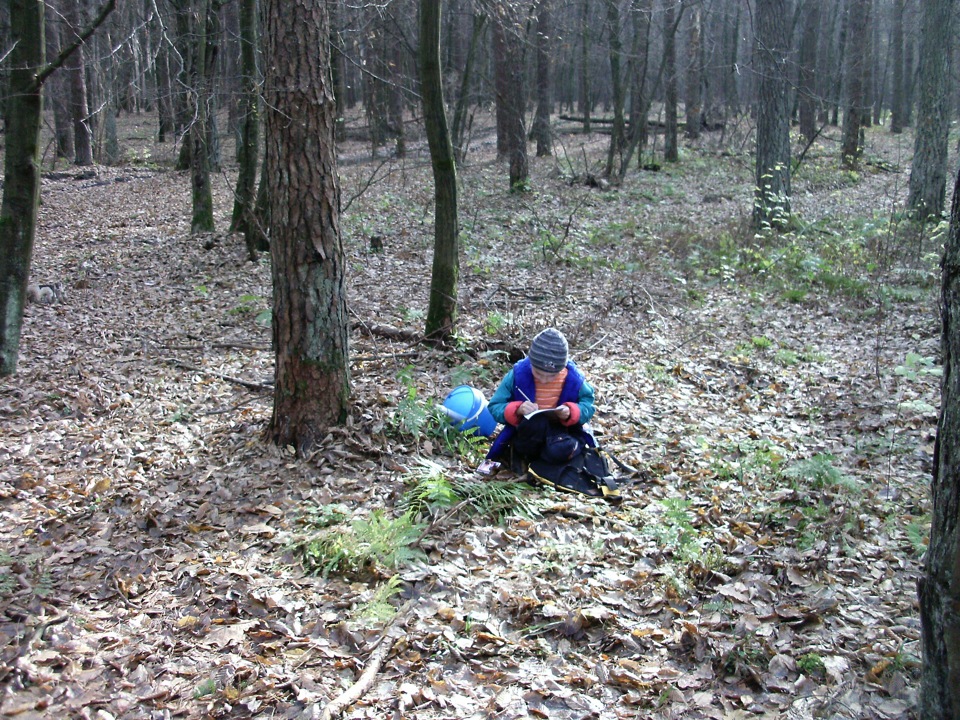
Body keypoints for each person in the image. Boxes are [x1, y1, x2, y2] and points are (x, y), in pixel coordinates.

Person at [477, 327, 596, 474]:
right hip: (528, 430)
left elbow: (588, 406)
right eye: (538, 373)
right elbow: (495, 406)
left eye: (552, 376)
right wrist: (518, 409)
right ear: (531, 363)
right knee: (535, 426)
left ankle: (542, 463)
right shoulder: (518, 374)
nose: (544, 380)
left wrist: (572, 412)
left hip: (561, 431)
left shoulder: (574, 379)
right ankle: (527, 458)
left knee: (561, 449)